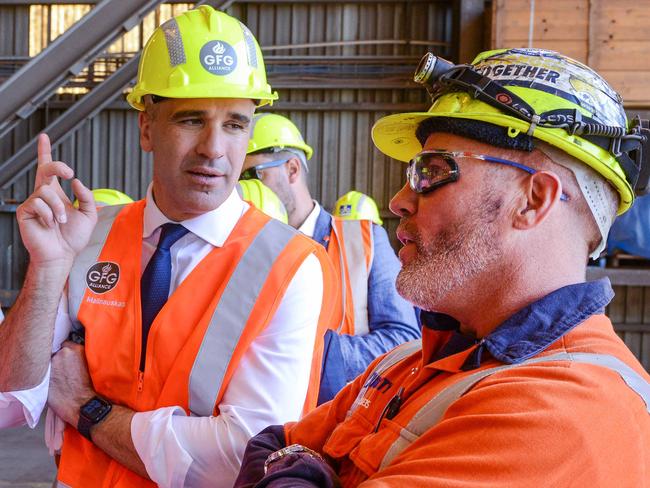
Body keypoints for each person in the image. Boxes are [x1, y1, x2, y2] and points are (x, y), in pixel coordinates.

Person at [234, 48, 650, 487]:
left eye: (431, 172)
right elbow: (270, 443)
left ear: (532, 200)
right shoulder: (412, 362)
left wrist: (300, 466)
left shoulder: (561, 411)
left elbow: (278, 455)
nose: (399, 201)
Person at [0, 6, 336, 487]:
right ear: (145, 128)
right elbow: (9, 401)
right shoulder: (86, 239)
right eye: (191, 119)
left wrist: (86, 409)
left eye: (236, 124)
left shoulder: (292, 266)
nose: (214, 148)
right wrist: (48, 269)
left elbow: (244, 455)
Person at [243, 113, 419, 403]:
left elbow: (404, 342)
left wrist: (316, 351)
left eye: (252, 175)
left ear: (292, 169)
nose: (244, 189)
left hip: (338, 424)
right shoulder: (243, 246)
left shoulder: (362, 240)